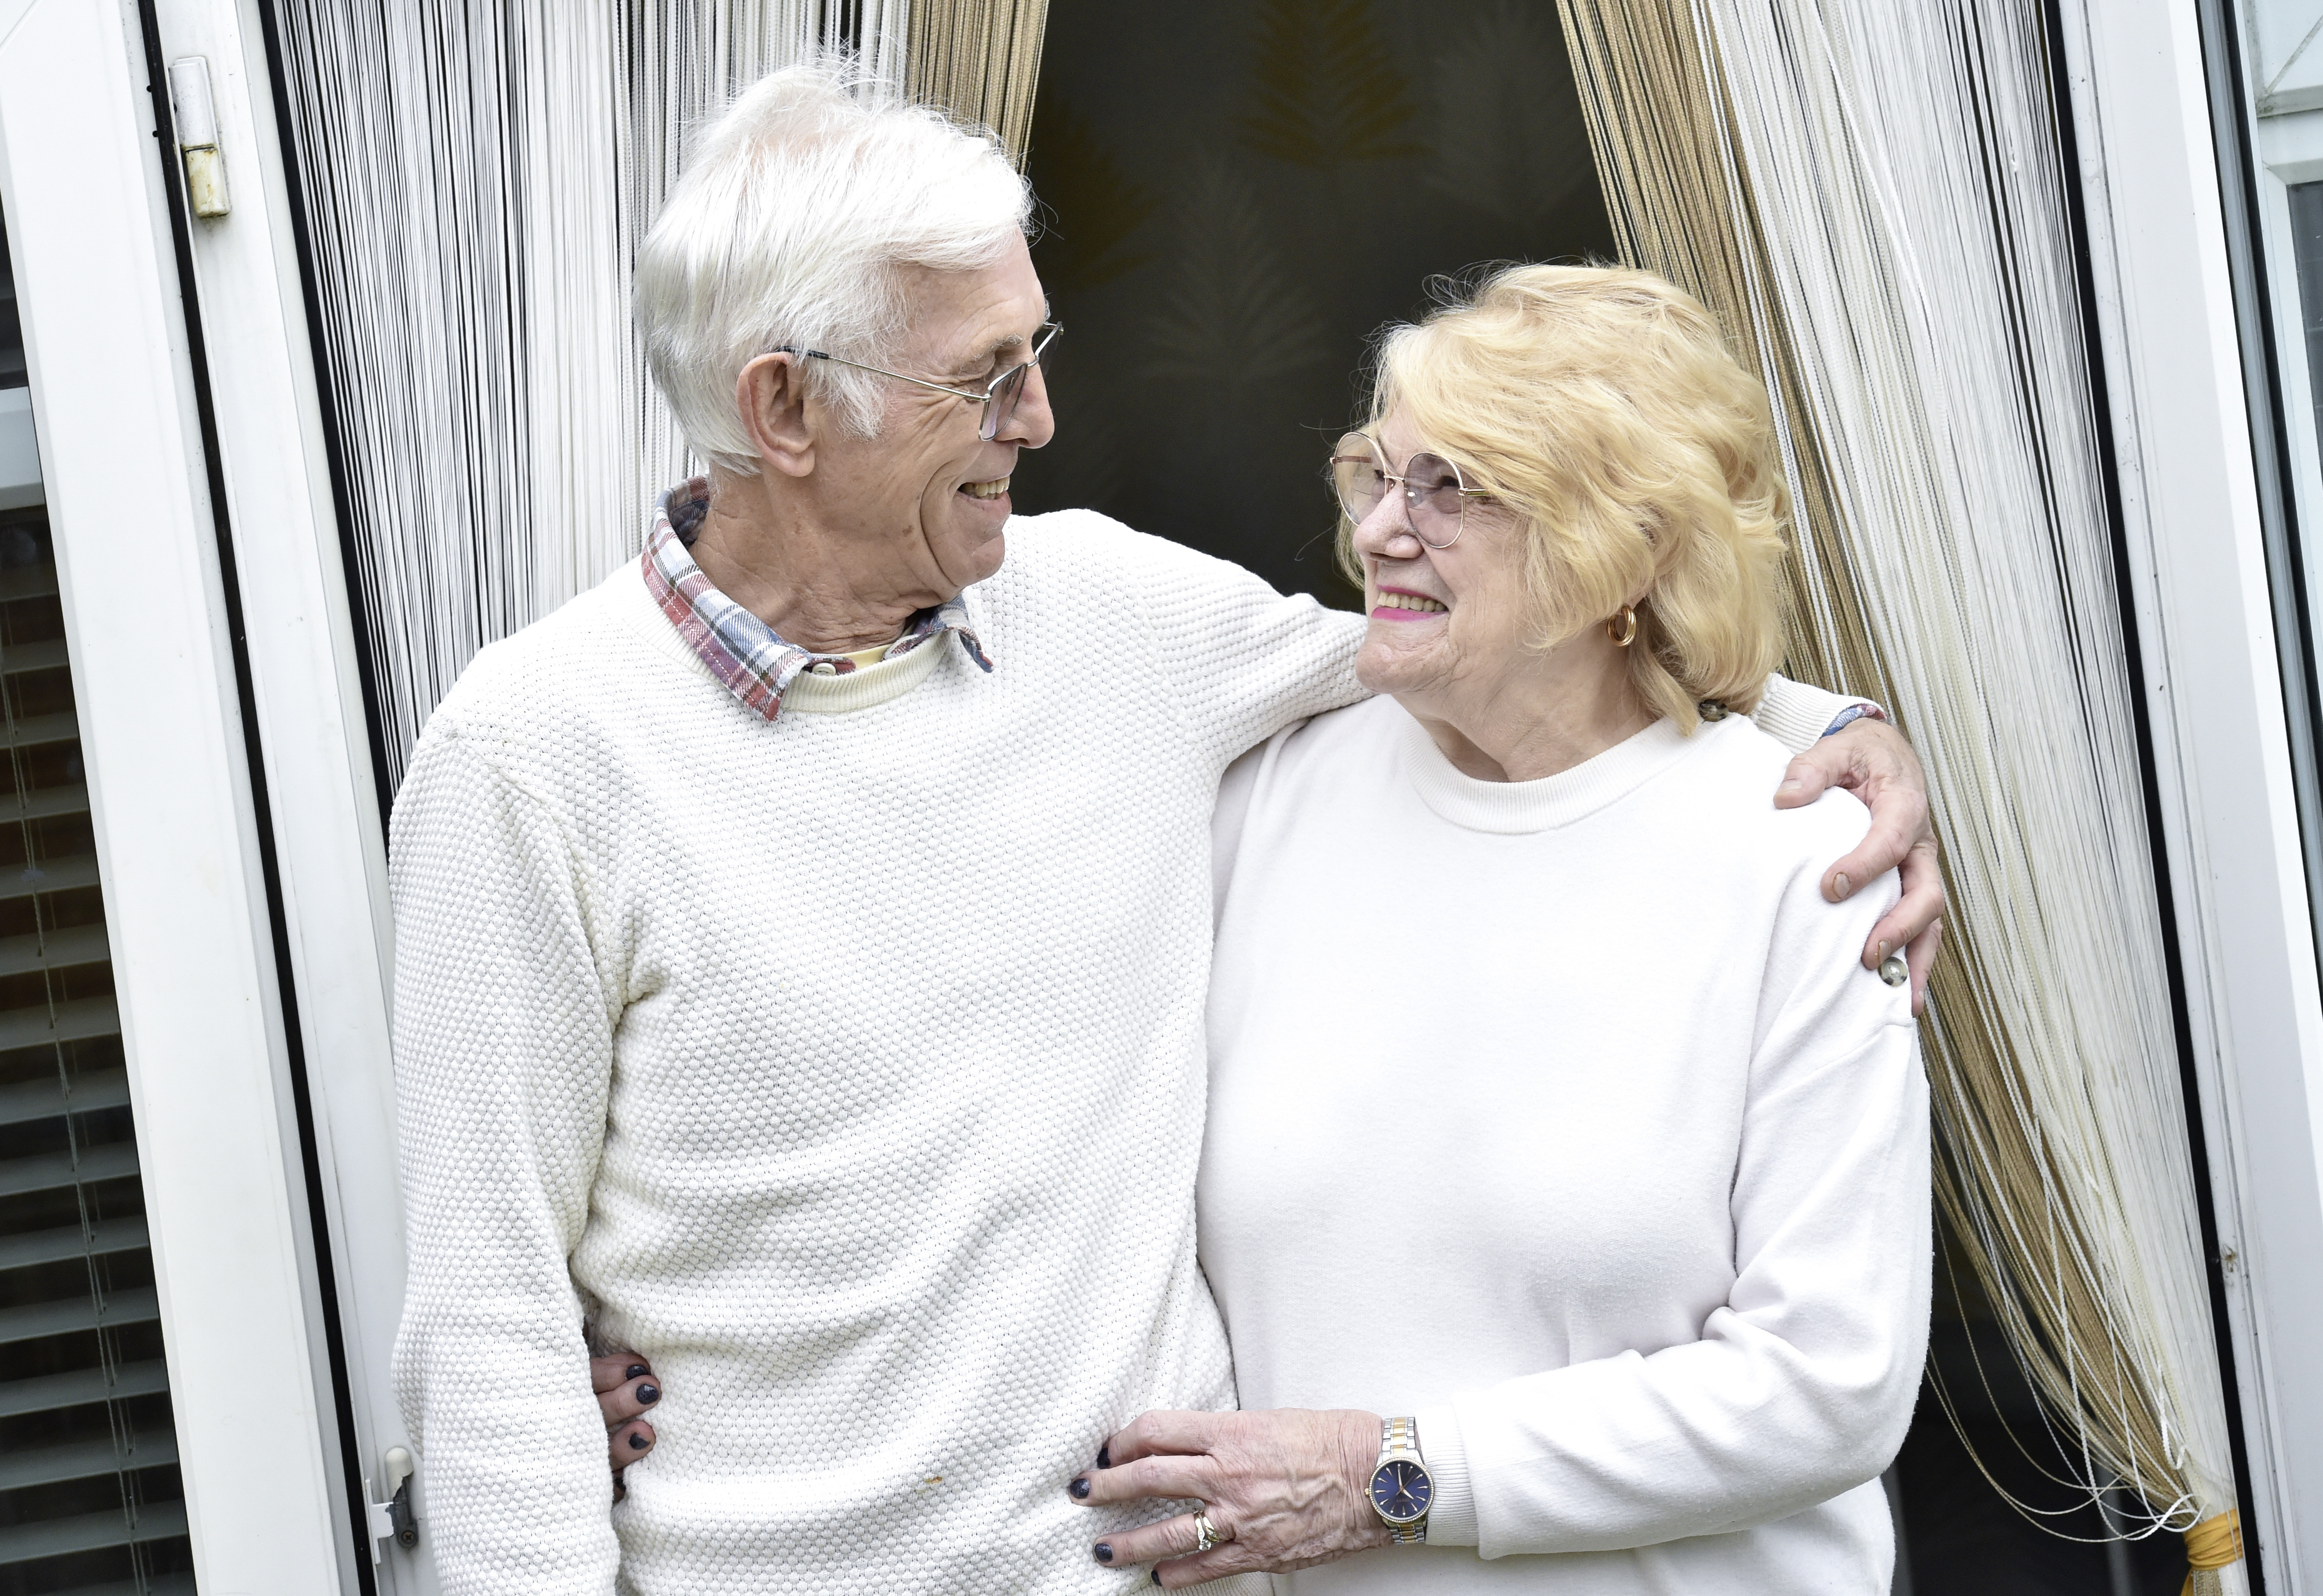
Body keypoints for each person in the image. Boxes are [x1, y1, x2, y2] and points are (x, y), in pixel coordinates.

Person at [393, 57, 1939, 1592]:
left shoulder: (1110, 619)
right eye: (983, 377)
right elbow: (489, 1328)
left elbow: (1491, 649)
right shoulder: (532, 761)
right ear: (784, 409)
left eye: (1036, 351)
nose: (1044, 418)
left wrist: (1826, 731)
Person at [1065, 267, 1929, 1592]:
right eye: (1376, 473)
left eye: (1454, 487)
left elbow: (1830, 1388)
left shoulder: (1801, 863)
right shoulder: (1257, 800)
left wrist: (1390, 1479)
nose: (1381, 534)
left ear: (1629, 549)